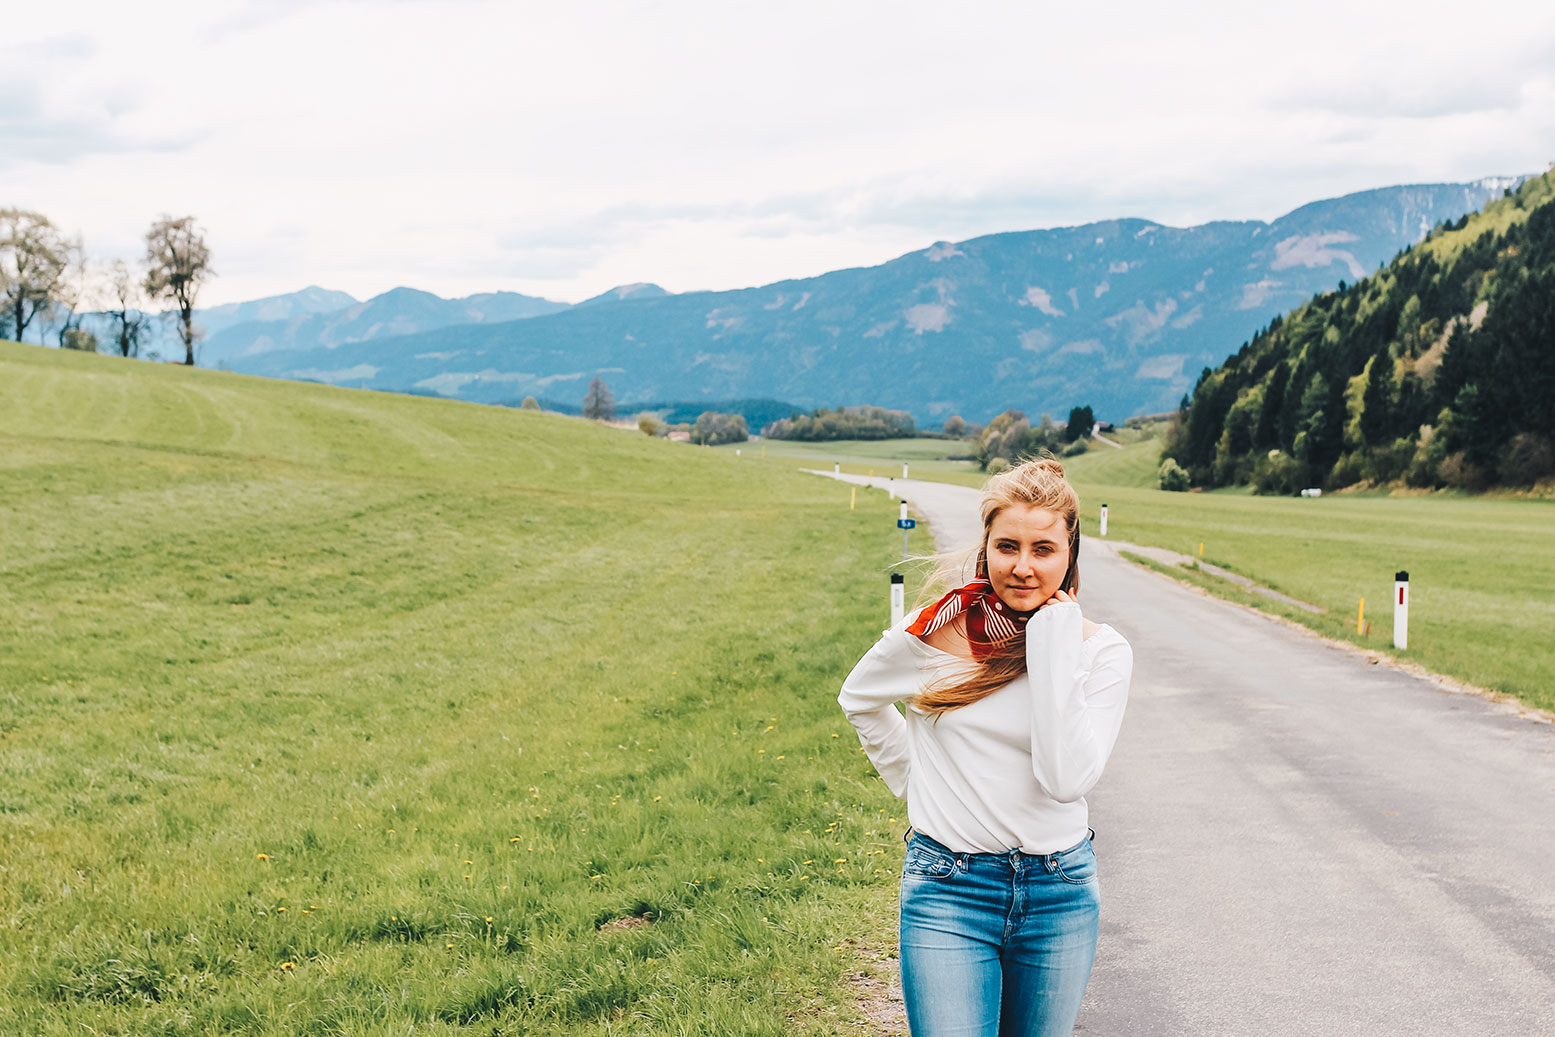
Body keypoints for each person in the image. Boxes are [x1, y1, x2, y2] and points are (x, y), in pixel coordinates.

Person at [838, 456, 1132, 1037]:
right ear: (987, 548)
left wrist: (1052, 645)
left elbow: (1065, 779)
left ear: (1071, 554)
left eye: (1043, 549)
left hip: (1059, 892)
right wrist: (915, 781)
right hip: (949, 888)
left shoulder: (1102, 653)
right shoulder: (933, 634)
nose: (1023, 567)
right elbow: (860, 697)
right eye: (1008, 547)